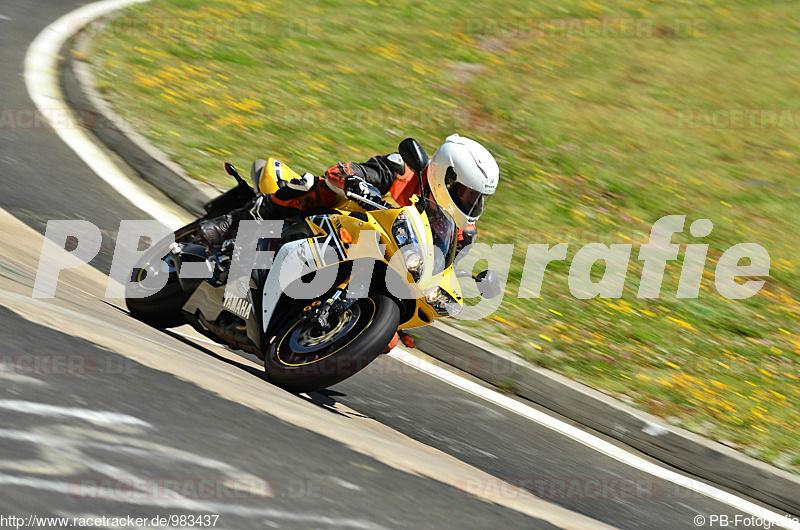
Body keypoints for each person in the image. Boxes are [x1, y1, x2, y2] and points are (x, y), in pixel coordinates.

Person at [197, 134, 500, 257]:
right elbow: (342, 172)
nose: (468, 203)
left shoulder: (462, 233)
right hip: (337, 228)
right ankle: (232, 224)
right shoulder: (401, 170)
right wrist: (354, 182)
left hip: (377, 262)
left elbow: (440, 269)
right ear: (444, 174)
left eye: (475, 199)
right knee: (314, 189)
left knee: (389, 339)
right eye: (463, 192)